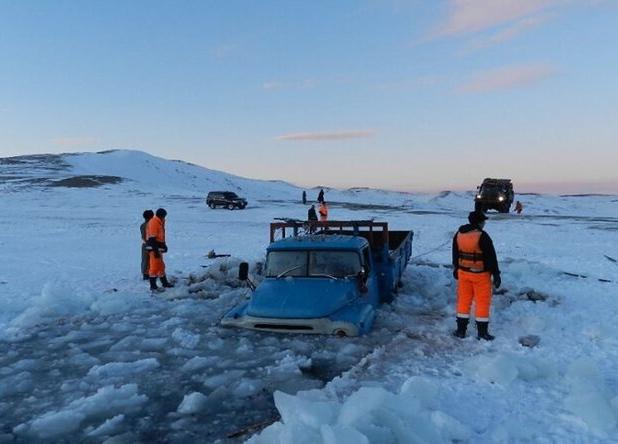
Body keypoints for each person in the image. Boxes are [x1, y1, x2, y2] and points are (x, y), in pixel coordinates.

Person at [452, 211, 501, 340]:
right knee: (482, 303)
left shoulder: (459, 234)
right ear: (479, 222)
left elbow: (455, 254)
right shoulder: (482, 236)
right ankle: (482, 333)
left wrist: (456, 268)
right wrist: (496, 274)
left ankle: (461, 331)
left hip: (463, 273)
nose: (484, 223)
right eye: (483, 221)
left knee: (463, 301)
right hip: (481, 275)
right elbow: (491, 257)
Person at [146, 208, 174, 292]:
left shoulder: (159, 222)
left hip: (158, 248)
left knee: (161, 266)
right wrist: (155, 251)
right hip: (154, 248)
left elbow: (160, 237)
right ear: (162, 215)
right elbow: (152, 238)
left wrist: (164, 245)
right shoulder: (154, 222)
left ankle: (164, 283)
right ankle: (153, 286)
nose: (165, 218)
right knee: (154, 267)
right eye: (164, 216)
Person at [140, 210, 154, 280]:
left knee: (145, 260)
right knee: (150, 260)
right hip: (151, 244)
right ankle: (148, 274)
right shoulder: (151, 225)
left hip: (145, 244)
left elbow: (143, 236)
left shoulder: (142, 225)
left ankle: (145, 274)